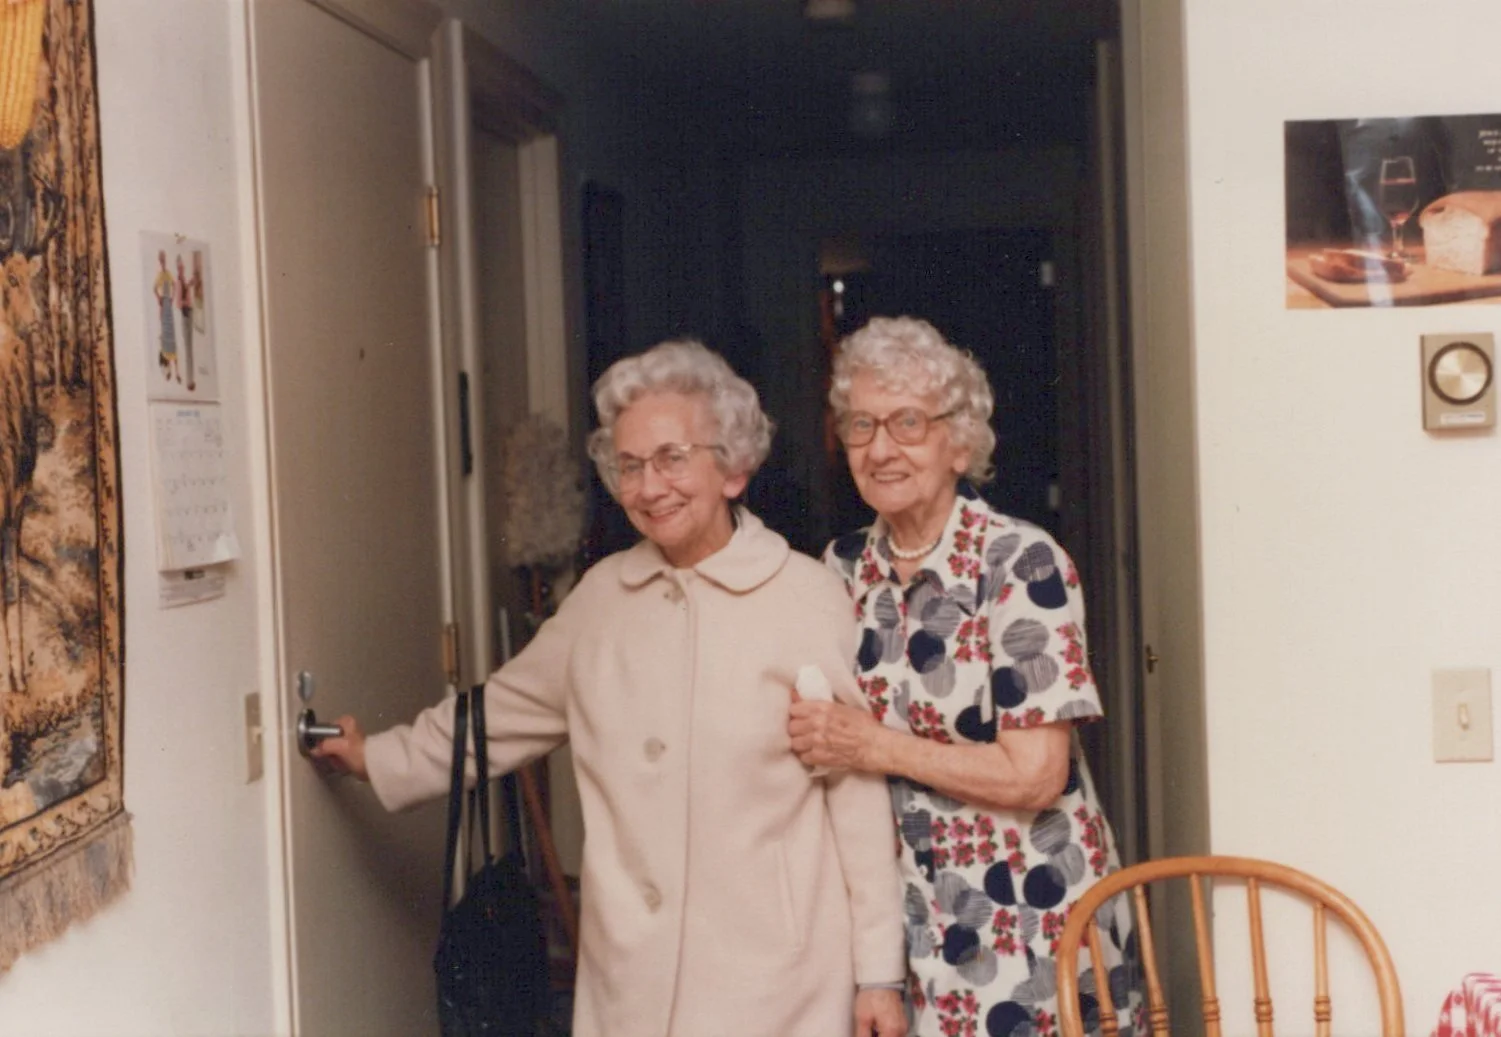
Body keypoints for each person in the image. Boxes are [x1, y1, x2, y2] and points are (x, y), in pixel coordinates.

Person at [313, 338, 908, 1037]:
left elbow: (855, 798)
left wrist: (878, 974)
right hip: (630, 974)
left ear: (733, 468)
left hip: (777, 980)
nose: (649, 488)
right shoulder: (601, 599)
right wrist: (377, 756)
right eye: (629, 465)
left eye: (671, 458)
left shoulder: (805, 597)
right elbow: (500, 713)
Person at [788, 316, 1141, 1037]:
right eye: (860, 425)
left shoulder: (1020, 563)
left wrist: (872, 746)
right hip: (903, 923)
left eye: (907, 423)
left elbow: (1034, 775)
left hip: (1030, 915)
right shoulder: (840, 568)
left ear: (959, 442)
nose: (879, 448)